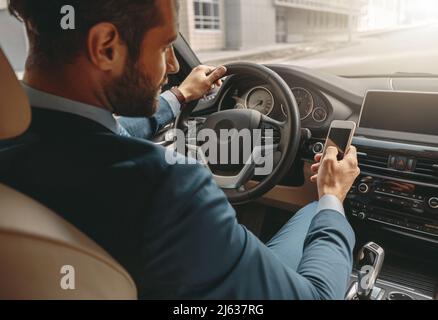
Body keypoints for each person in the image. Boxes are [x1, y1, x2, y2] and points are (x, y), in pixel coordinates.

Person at [5, 0, 360, 299]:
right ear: (106, 47)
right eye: (163, 48)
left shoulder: (18, 137)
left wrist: (178, 97)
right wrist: (332, 196)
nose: (174, 66)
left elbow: (105, 132)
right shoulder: (167, 186)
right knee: (316, 211)